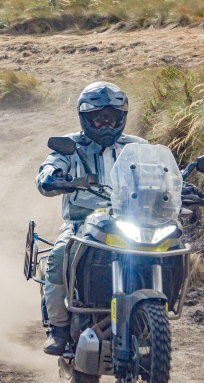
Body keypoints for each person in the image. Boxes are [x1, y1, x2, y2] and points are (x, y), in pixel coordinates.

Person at [35, 81, 148, 355]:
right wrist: (53, 178)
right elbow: (48, 169)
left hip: (131, 222)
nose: (105, 124)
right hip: (80, 225)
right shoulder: (70, 146)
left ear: (121, 118)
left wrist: (181, 183)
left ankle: (151, 317)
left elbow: (163, 172)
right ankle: (59, 330)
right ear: (86, 118)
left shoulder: (138, 147)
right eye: (98, 118)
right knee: (58, 259)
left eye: (111, 118)